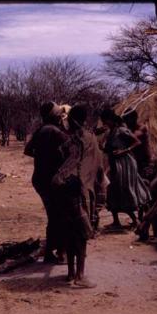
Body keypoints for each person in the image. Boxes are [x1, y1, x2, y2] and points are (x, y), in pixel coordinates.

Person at [52, 103, 104, 288]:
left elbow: (63, 157)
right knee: (81, 235)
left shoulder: (70, 140)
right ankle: (80, 276)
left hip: (64, 189)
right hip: (80, 190)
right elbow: (97, 166)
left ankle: (70, 273)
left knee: (69, 232)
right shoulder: (90, 139)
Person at [24, 101, 69, 263]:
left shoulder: (40, 131)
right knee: (61, 215)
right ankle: (61, 253)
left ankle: (50, 252)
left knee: (53, 216)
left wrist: (43, 157)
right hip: (53, 180)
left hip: (40, 179)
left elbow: (28, 150)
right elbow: (71, 150)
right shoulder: (56, 132)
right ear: (56, 116)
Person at [100, 108, 151, 229]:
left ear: (110, 120)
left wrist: (124, 151)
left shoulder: (122, 130)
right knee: (112, 190)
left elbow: (137, 142)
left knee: (124, 190)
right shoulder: (111, 132)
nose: (104, 124)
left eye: (105, 121)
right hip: (114, 163)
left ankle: (135, 220)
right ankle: (116, 221)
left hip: (124, 164)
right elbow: (109, 149)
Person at [122, 108, 154, 180]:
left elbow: (135, 136)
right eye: (125, 120)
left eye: (127, 119)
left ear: (134, 118)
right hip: (134, 161)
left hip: (144, 161)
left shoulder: (142, 128)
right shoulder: (129, 130)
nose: (126, 122)